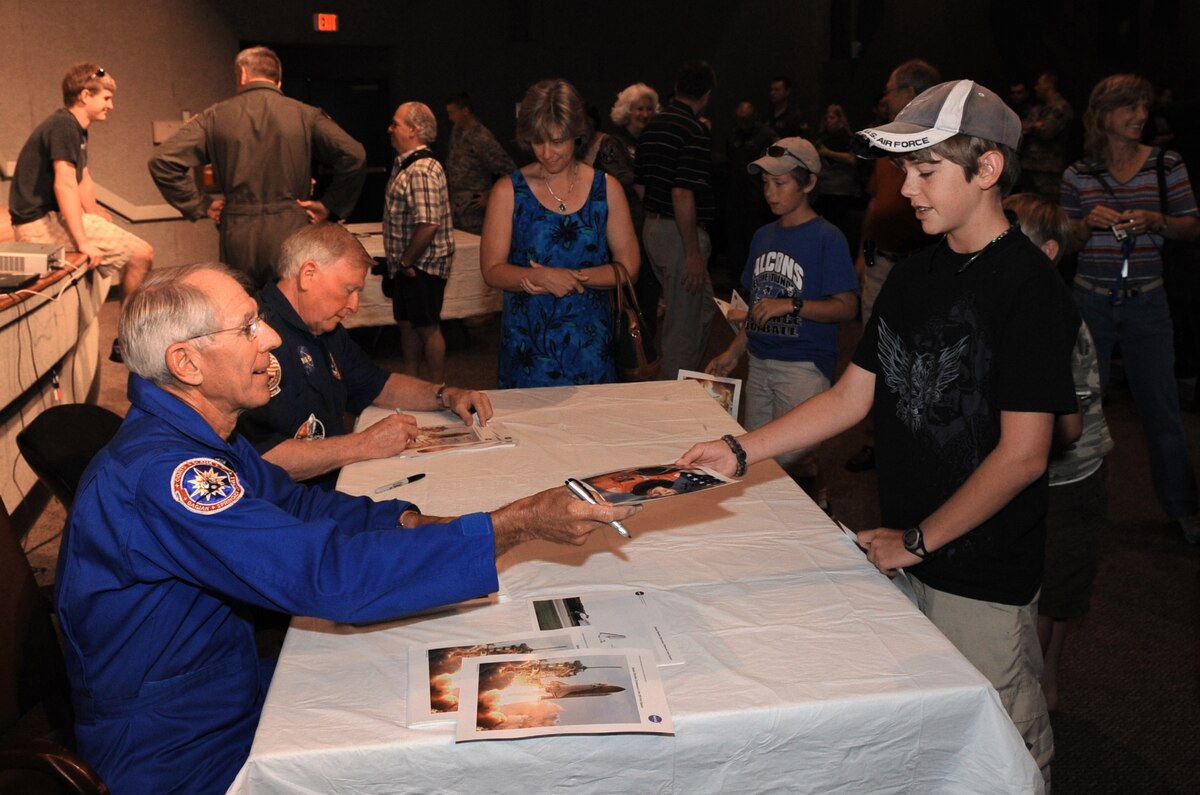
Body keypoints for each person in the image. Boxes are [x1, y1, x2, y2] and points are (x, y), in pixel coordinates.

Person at [54, 261, 639, 793]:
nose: (274, 339)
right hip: (174, 746)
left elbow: (301, 507)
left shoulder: (194, 437)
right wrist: (510, 527)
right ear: (186, 363)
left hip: (218, 686)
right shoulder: (170, 473)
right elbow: (327, 577)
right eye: (249, 327)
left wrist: (415, 520)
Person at [681, 80, 1078, 787]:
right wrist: (740, 448)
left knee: (999, 744)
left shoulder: (1029, 286)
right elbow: (849, 397)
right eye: (904, 170)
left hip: (980, 570)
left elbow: (1023, 456)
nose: (908, 188)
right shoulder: (913, 274)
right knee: (929, 733)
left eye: (927, 171)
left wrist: (918, 539)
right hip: (908, 546)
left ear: (987, 170)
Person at [235, 223, 491, 487]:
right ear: (308, 274)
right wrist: (364, 444)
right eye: (349, 290)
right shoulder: (252, 338)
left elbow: (376, 384)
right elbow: (259, 458)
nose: (354, 306)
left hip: (333, 481)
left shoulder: (324, 327)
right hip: (290, 507)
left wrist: (445, 395)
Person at [1061, 73, 1200, 542]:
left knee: (1161, 410)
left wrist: (1158, 220)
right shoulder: (1079, 174)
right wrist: (1084, 225)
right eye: (1129, 108)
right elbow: (1062, 242)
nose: (1140, 116)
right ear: (1102, 115)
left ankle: (1184, 509)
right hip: (1088, 303)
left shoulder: (1167, 164)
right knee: (1078, 408)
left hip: (1148, 302)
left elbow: (1191, 227)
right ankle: (1074, 505)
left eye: (1143, 107)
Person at [1004, 191, 1114, 711]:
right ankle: (1044, 684)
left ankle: (1037, 688)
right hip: (1050, 473)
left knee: (1052, 591)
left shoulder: (1051, 314)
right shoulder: (1025, 302)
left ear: (1047, 251)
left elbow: (1064, 429)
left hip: (1071, 480)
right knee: (1052, 587)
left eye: (1011, 238)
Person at [705, 138, 857, 511]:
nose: (771, 193)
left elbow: (847, 307)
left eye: (781, 183)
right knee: (757, 450)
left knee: (796, 455)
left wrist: (793, 304)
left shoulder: (827, 237)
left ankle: (815, 510)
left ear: (808, 183)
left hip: (803, 365)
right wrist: (732, 351)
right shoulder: (763, 236)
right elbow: (757, 307)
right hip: (760, 361)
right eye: (766, 184)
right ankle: (779, 519)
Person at [148, 46, 366, 288]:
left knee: (244, 307)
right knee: (291, 308)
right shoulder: (305, 114)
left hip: (239, 230)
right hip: (291, 227)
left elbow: (163, 161)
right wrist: (331, 205)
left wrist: (203, 204)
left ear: (242, 73)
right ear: (278, 80)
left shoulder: (215, 117)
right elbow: (354, 155)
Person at [480, 79, 638, 388]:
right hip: (528, 348)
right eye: (538, 142)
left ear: (577, 134)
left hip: (591, 342)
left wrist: (572, 276)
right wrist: (539, 278)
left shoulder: (606, 189)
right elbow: (492, 270)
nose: (547, 153)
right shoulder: (508, 191)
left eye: (557, 141)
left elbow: (628, 267)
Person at [9, 62, 154, 363]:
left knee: (136, 252)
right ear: (85, 95)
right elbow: (64, 185)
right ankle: (127, 341)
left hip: (50, 218)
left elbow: (83, 179)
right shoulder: (63, 126)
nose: (111, 106)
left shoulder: (76, 128)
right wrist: (84, 240)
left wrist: (94, 212)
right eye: (106, 98)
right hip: (38, 223)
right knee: (142, 254)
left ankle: (123, 337)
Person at [844, 58, 941, 472]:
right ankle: (876, 440)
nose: (884, 100)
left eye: (889, 90)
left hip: (927, 267)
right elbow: (876, 204)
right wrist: (863, 254)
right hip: (882, 263)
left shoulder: (943, 147)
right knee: (876, 355)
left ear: (910, 93)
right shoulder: (885, 144)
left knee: (925, 360)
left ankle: (920, 443)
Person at [635, 60, 718, 379]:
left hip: (654, 228)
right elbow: (683, 193)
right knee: (681, 329)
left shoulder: (652, 126)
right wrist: (692, 252)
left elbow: (641, 184)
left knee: (703, 310)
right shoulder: (693, 129)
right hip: (680, 235)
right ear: (707, 94)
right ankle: (673, 396)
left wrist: (658, 217)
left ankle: (686, 381)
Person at [384, 101, 455, 383]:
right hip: (409, 266)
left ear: (413, 130)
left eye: (396, 124)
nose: (390, 129)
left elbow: (428, 224)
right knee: (407, 325)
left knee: (427, 327)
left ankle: (437, 388)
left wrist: (406, 261)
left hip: (420, 266)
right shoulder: (408, 165)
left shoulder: (421, 169)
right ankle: (412, 382)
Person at [608, 82, 662, 336]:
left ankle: (647, 356)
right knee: (626, 299)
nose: (644, 114)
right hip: (624, 229)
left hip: (650, 228)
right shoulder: (613, 143)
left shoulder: (653, 142)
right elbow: (618, 178)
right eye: (639, 109)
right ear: (627, 111)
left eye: (649, 109)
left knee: (649, 297)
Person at [445, 92, 517, 234]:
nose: (450, 118)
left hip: (473, 214)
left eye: (452, 113)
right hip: (456, 210)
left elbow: (510, 170)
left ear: (465, 111)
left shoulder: (482, 137)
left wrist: (490, 196)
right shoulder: (456, 132)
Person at [724, 100, 778, 284]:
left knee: (755, 238)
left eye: (747, 120)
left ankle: (757, 278)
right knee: (735, 239)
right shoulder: (732, 135)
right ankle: (736, 278)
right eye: (740, 121)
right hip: (736, 195)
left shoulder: (766, 135)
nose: (743, 125)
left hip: (758, 198)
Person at [1018, 72, 1074, 199]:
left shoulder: (1061, 107)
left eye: (1039, 84)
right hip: (1029, 167)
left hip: (1048, 170)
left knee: (1046, 210)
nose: (1036, 88)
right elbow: (1021, 128)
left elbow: (1047, 132)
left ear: (1049, 85)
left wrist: (1031, 126)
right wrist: (1034, 125)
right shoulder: (1037, 109)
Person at [814, 103, 862, 243]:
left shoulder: (850, 138)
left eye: (832, 117)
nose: (829, 121)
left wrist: (828, 153)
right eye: (827, 118)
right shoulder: (822, 139)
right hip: (824, 189)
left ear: (840, 119)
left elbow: (852, 159)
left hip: (842, 191)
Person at [767, 75, 809, 139]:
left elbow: (802, 140)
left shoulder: (795, 115)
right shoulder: (767, 114)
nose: (772, 93)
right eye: (771, 89)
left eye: (777, 90)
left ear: (787, 92)